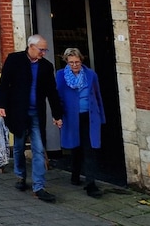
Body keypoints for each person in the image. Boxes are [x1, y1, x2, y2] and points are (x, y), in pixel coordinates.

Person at [0, 34, 63, 203]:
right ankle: (20, 176)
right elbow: (4, 84)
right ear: (31, 47)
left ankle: (38, 186)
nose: (44, 53)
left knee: (39, 149)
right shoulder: (14, 59)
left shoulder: (46, 67)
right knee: (18, 145)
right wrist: (2, 105)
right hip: (18, 111)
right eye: (41, 49)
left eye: (45, 50)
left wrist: (57, 114)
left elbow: (52, 91)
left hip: (36, 113)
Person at [56, 48, 106, 198]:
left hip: (89, 116)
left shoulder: (90, 75)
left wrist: (101, 117)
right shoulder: (61, 76)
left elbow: (97, 96)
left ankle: (91, 184)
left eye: (77, 62)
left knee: (90, 148)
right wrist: (57, 116)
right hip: (71, 117)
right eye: (71, 62)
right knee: (76, 147)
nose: (74, 65)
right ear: (66, 62)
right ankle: (75, 175)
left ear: (81, 61)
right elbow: (57, 97)